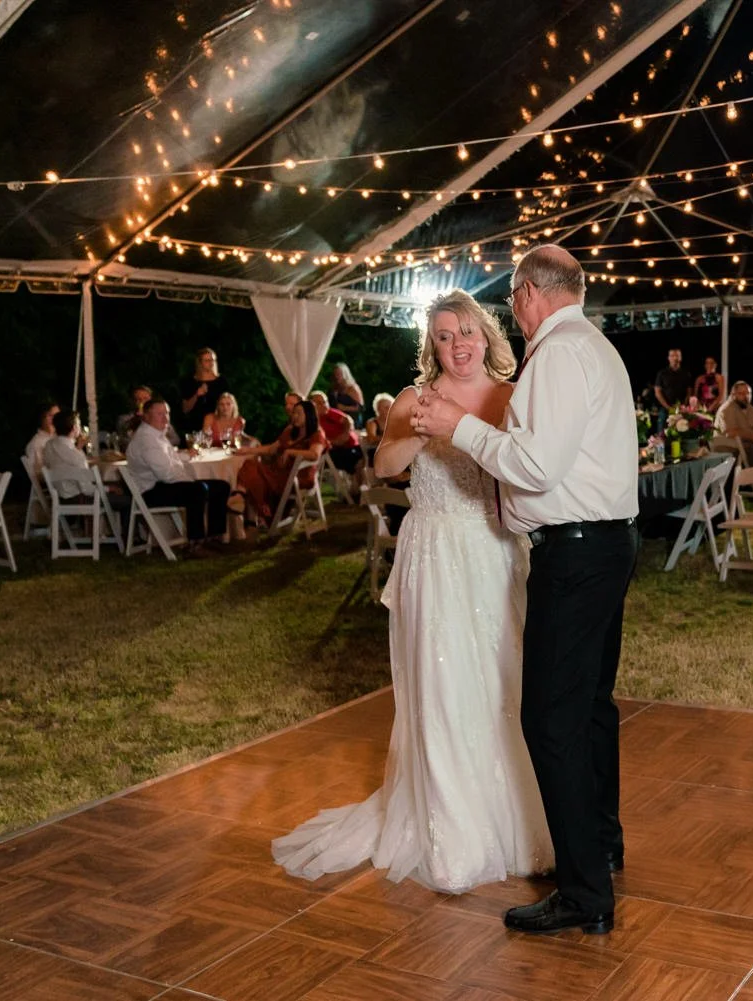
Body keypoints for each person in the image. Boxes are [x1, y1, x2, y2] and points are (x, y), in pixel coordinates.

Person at [273, 290, 551, 892]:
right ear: (433, 346)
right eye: (445, 336)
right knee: (443, 684)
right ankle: (452, 835)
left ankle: (517, 819)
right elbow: (384, 465)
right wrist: (423, 432)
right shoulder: (412, 399)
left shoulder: (509, 395)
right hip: (433, 555)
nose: (458, 345)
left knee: (505, 681)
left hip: (494, 549)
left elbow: (527, 467)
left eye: (467, 332)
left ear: (486, 336)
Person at [411, 246, 638, 935]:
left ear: (528, 295)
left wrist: (462, 428)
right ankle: (601, 843)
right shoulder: (591, 347)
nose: (513, 307)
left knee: (551, 717)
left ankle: (585, 892)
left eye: (512, 297)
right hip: (603, 543)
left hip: (577, 553)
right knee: (591, 708)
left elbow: (536, 466)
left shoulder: (562, 355)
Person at [126, 399, 232, 551]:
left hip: (161, 484)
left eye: (167, 413)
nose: (165, 418)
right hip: (149, 491)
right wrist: (189, 481)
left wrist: (186, 457)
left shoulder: (156, 434)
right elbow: (167, 475)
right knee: (197, 490)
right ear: (147, 417)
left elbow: (170, 459)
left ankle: (214, 537)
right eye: (160, 414)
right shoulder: (146, 439)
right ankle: (195, 543)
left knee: (221, 486)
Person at [233, 400, 327, 525]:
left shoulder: (317, 433)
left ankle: (254, 508)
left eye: (299, 413)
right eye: (294, 413)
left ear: (309, 415)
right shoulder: (290, 430)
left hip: (297, 477)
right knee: (250, 466)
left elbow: (314, 454)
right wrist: (248, 450)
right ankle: (243, 499)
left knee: (253, 471)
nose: (294, 416)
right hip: (280, 474)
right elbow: (271, 449)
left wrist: (290, 452)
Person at [309, 391, 364, 477]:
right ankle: (357, 485)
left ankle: (358, 485)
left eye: (325, 402)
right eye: (320, 403)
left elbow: (347, 420)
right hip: (332, 449)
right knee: (354, 460)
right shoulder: (312, 420)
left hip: (349, 445)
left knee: (362, 456)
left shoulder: (330, 412)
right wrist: (334, 442)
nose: (324, 405)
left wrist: (345, 434)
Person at [715, 381, 753, 467]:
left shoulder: (750, 408)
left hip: (745, 443)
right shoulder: (727, 409)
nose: (746, 396)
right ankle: (752, 475)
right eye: (741, 393)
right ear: (733, 395)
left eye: (748, 393)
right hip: (728, 446)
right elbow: (731, 432)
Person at [42, 410, 91, 498]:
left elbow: (63, 458)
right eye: (79, 424)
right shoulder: (77, 457)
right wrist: (109, 488)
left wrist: (78, 448)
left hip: (59, 495)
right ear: (75, 427)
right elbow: (88, 490)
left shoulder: (48, 445)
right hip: (79, 498)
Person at [178, 347, 229, 432]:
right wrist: (197, 395)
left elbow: (228, 405)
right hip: (194, 425)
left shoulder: (221, 381)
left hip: (216, 424)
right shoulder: (189, 381)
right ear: (200, 363)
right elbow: (185, 409)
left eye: (213, 360)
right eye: (207, 360)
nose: (211, 363)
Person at [25, 403, 59, 483]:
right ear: (42, 418)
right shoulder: (35, 443)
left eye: (58, 415)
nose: (56, 419)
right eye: (51, 415)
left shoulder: (60, 437)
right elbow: (37, 475)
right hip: (54, 484)